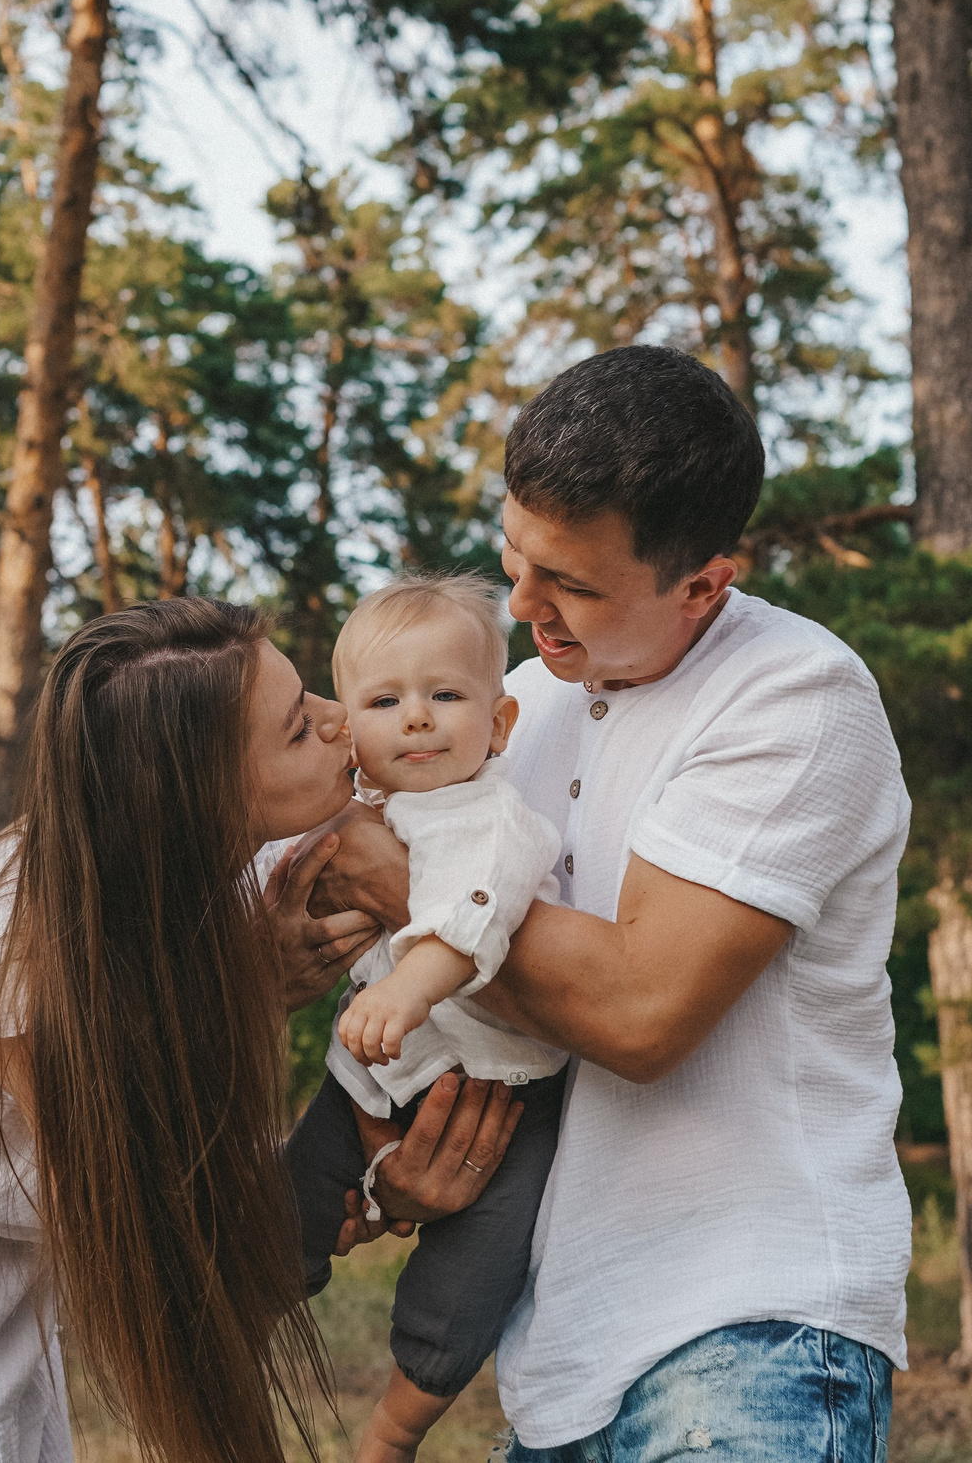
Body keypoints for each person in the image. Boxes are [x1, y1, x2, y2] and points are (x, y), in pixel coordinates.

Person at [0, 597, 510, 1463]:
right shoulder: (22, 961)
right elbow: (158, 1240)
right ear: (199, 794)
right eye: (300, 728)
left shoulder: (190, 857)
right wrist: (359, 1173)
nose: (342, 723)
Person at [316, 344, 914, 1462]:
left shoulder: (795, 694)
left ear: (703, 584)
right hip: (555, 1357)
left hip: (753, 1336)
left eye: (574, 586)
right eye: (516, 560)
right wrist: (396, 1167)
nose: (524, 604)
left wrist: (394, 878)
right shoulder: (506, 708)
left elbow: (642, 1013)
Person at [283, 574, 568, 1462]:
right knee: (287, 1198)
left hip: (501, 1092)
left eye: (446, 694)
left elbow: (472, 915)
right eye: (385, 699)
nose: (416, 717)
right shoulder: (356, 809)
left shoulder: (489, 815)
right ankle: (238, 1310)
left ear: (499, 722)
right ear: (348, 726)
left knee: (473, 1274)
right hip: (373, 1072)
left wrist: (406, 991)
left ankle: (392, 1433)